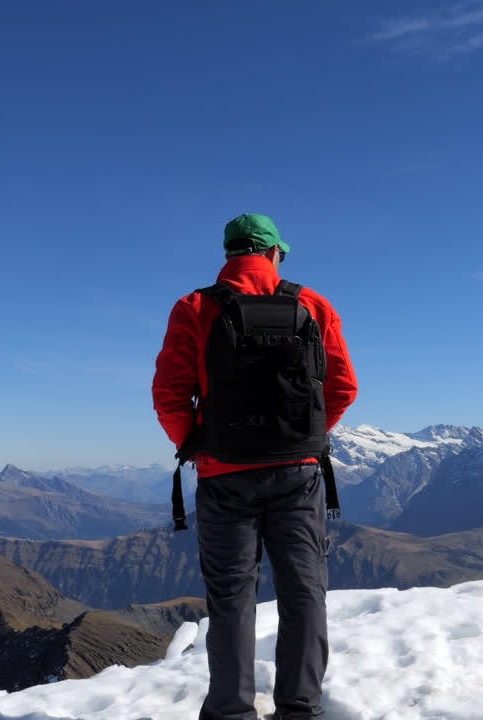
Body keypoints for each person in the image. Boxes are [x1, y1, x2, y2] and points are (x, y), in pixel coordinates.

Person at [153, 213, 358, 720]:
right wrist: (306, 437)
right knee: (305, 591)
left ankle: (232, 712)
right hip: (299, 474)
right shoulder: (311, 303)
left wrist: (200, 445)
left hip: (224, 475)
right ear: (273, 254)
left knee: (231, 599)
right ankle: (300, 708)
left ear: (228, 255)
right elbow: (343, 387)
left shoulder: (195, 306)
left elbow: (170, 396)